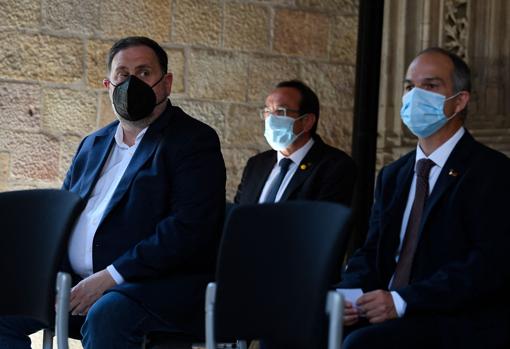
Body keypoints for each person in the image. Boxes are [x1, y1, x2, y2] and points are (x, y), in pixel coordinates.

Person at [0, 36, 226, 349]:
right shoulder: (92, 144)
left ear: (167, 83)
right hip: (78, 285)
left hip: (152, 287)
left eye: (144, 72)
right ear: (109, 84)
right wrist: (47, 274)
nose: (132, 82)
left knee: (108, 314)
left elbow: (189, 228)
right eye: (123, 74)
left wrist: (111, 277)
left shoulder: (192, 140)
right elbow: (62, 220)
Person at [337, 47, 510, 349]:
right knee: (299, 324)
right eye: (409, 86)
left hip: (452, 316)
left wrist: (402, 301)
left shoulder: (492, 171)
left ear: (460, 100)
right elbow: (372, 251)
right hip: (385, 309)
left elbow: (488, 265)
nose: (415, 96)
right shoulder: (393, 175)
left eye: (430, 85)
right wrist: (345, 297)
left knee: (363, 344)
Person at [234, 80, 356, 206]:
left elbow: (325, 221)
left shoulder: (335, 167)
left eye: (281, 111)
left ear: (307, 121)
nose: (271, 119)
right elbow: (237, 214)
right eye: (267, 111)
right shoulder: (256, 164)